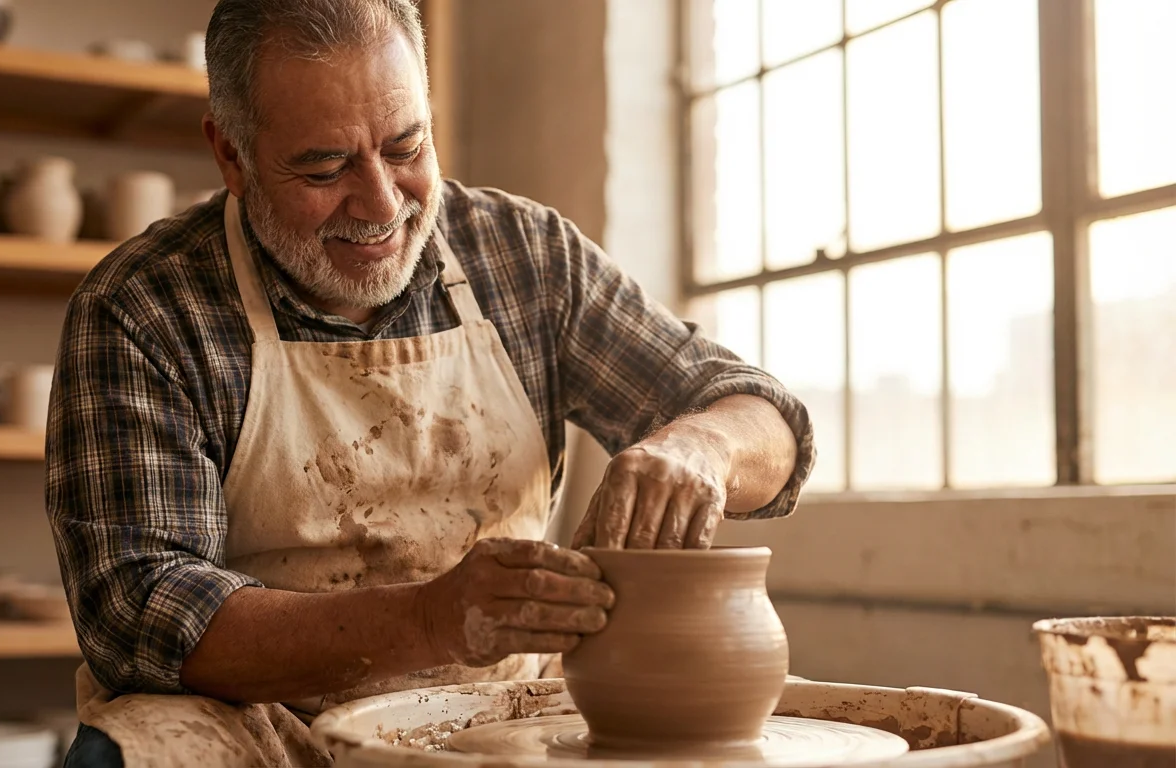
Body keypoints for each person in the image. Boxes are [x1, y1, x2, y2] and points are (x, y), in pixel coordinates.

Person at [46, 0, 815, 765]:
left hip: (499, 716)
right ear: (232, 156)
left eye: (406, 146)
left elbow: (767, 421)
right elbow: (140, 613)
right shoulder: (144, 308)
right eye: (325, 166)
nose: (382, 204)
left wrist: (704, 447)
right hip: (265, 728)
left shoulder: (527, 258)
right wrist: (428, 622)